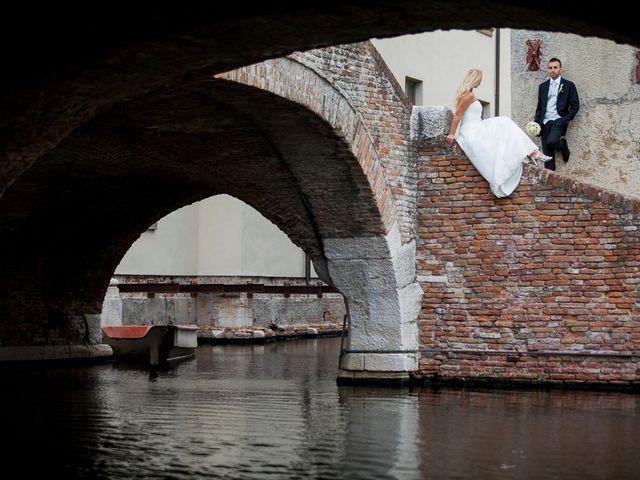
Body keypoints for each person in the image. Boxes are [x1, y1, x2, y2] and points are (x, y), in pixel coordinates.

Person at [445, 68, 551, 198]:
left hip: (478, 126)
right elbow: (457, 115)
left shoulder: (469, 95)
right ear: (474, 80)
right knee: (504, 124)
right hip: (472, 131)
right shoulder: (469, 96)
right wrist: (451, 134)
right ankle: (532, 152)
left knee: (505, 123)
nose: (480, 83)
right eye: (479, 80)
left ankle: (531, 151)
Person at [534, 57, 579, 171]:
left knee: (552, 141)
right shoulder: (542, 87)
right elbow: (539, 107)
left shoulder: (568, 85)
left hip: (558, 121)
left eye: (555, 67)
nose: (552, 70)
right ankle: (549, 183)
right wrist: (536, 124)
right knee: (547, 158)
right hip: (544, 123)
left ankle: (562, 145)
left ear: (560, 69)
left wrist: (564, 119)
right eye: (550, 68)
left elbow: (575, 106)